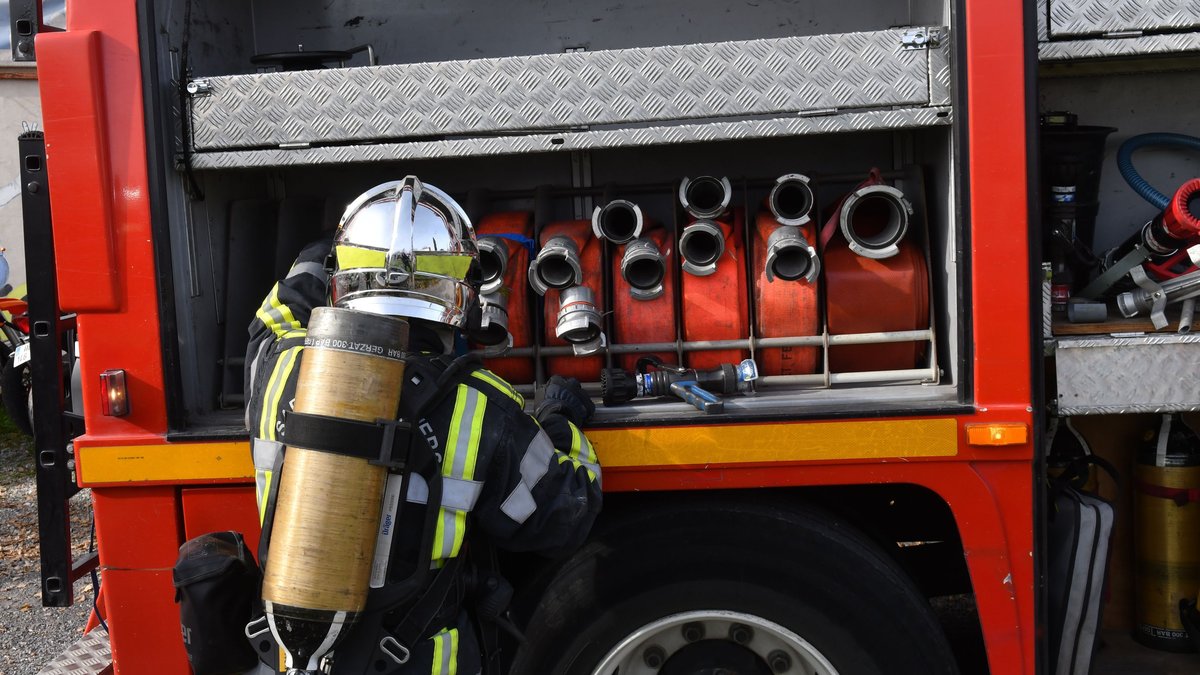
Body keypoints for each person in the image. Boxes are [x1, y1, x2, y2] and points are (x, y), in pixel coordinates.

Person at [244, 176, 602, 674]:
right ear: (460, 293)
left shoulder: (277, 368)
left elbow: (274, 316)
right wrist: (560, 417)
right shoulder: (477, 403)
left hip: (297, 659)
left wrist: (328, 253)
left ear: (341, 278)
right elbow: (566, 514)